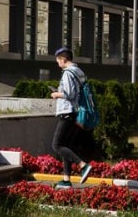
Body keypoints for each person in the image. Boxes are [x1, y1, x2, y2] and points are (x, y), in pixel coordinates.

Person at [48, 46, 94, 187]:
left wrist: (56, 94)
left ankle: (83, 165)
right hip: (75, 112)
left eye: (58, 60)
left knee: (56, 145)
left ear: (63, 59)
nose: (58, 64)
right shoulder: (78, 71)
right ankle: (66, 180)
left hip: (67, 112)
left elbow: (69, 94)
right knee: (66, 146)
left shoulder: (68, 73)